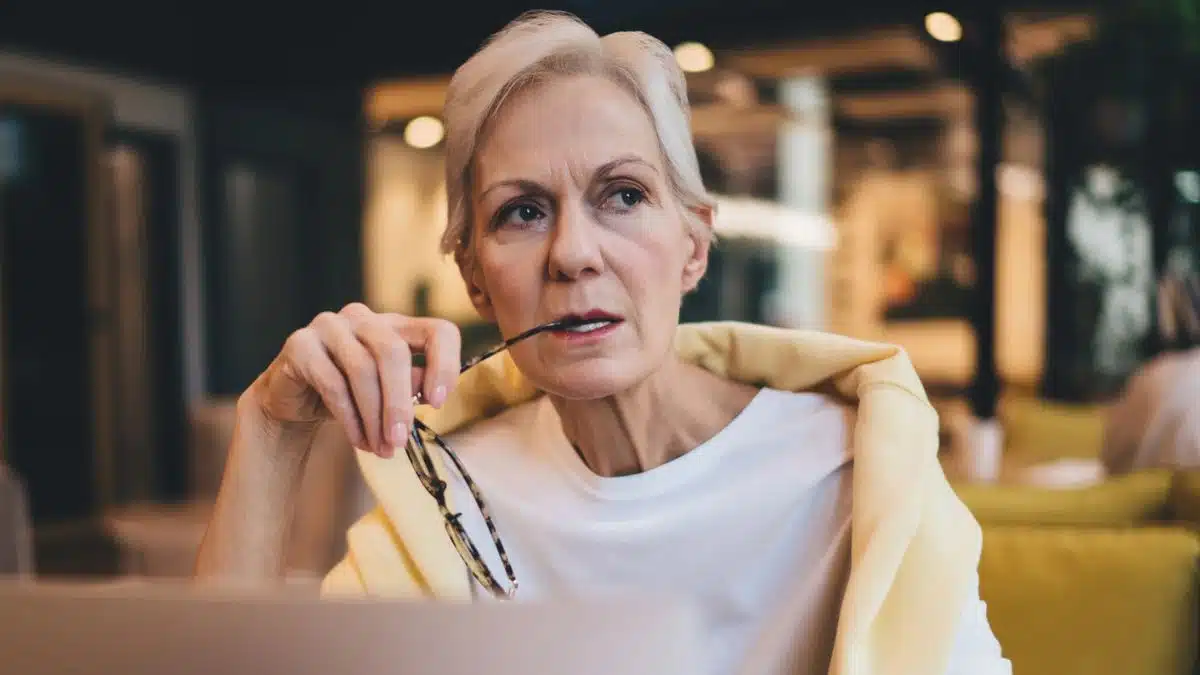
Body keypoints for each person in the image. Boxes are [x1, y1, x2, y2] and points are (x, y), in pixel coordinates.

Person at [196, 11, 1010, 675]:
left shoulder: (856, 470)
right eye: (523, 211)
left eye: (622, 195)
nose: (574, 253)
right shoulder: (448, 499)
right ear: (475, 277)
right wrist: (271, 430)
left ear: (694, 244)